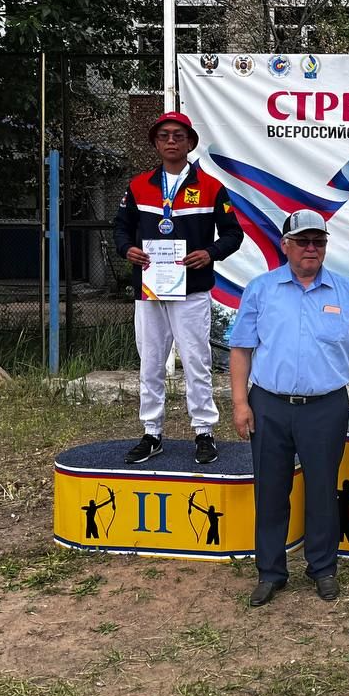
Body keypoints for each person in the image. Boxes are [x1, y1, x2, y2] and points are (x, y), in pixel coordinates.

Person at [229, 209, 349, 606]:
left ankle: (323, 568)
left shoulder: (347, 292)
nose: (311, 248)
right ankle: (270, 572)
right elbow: (241, 349)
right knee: (270, 490)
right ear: (285, 245)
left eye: (318, 241)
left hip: (325, 407)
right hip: (269, 405)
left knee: (321, 490)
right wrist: (240, 403)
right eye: (302, 241)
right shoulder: (261, 290)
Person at [114, 111, 242, 465]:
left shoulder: (212, 187)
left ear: (190, 142)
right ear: (155, 143)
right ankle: (151, 432)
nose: (171, 141)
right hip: (150, 290)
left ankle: (204, 431)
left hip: (192, 290)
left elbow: (233, 234)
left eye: (178, 135)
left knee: (197, 361)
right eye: (164, 135)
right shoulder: (139, 186)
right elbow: (120, 228)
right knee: (151, 362)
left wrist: (210, 253)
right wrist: (127, 249)